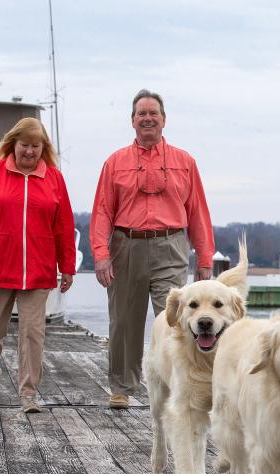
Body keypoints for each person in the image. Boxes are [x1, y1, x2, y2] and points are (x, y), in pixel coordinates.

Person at [90, 89, 214, 409]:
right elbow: (102, 210)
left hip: (171, 245)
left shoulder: (184, 162)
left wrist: (204, 258)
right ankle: (121, 387)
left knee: (174, 319)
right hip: (125, 244)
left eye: (153, 113)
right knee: (124, 321)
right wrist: (101, 254)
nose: (147, 118)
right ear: (132, 121)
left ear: (163, 119)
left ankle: (179, 384)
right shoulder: (114, 162)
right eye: (141, 113)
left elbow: (197, 210)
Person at [0, 117, 76, 413]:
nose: (30, 152)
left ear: (43, 148)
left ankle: (28, 393)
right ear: (13, 145)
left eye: (36, 147)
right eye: (25, 146)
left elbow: (63, 226)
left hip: (38, 271)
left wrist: (68, 267)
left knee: (32, 333)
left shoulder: (54, 179)